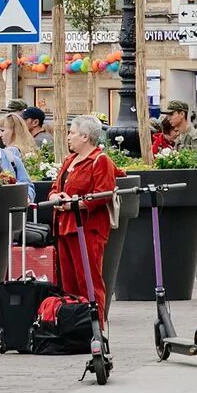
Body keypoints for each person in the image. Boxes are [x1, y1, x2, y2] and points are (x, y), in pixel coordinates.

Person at [54, 115, 118, 319]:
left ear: (85, 136)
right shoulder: (69, 160)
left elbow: (104, 192)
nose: (68, 137)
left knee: (89, 279)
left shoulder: (100, 161)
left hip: (88, 228)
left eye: (72, 132)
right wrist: (57, 196)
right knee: (68, 280)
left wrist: (76, 203)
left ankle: (95, 325)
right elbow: (55, 187)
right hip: (65, 226)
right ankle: (75, 324)